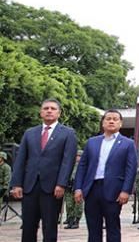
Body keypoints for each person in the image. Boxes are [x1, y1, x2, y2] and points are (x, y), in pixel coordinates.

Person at [10, 98, 78, 242]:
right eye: (46, 108)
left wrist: (61, 184)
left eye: (53, 109)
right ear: (40, 112)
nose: (49, 111)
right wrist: (16, 184)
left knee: (50, 227)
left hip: (53, 188)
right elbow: (20, 160)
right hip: (30, 186)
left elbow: (68, 161)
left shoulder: (67, 133)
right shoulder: (30, 133)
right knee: (28, 226)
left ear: (59, 113)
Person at [74, 109, 138, 242]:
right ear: (103, 123)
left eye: (115, 119)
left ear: (120, 124)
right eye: (108, 118)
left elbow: (131, 169)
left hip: (114, 191)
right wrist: (78, 188)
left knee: (112, 227)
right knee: (93, 228)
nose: (111, 121)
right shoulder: (92, 142)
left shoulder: (128, 144)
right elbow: (82, 166)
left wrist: (126, 191)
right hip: (92, 189)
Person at [63, 150, 83, 229]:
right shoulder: (70, 165)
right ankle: (70, 220)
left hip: (78, 187)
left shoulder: (82, 166)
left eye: (79, 156)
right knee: (69, 204)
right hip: (69, 186)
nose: (77, 158)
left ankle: (76, 221)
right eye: (77, 156)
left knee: (78, 205)